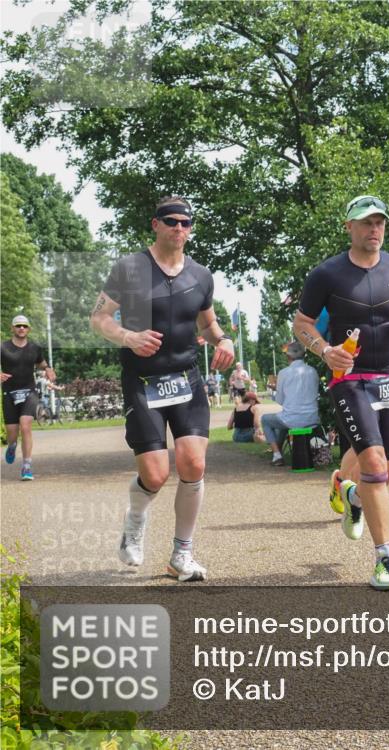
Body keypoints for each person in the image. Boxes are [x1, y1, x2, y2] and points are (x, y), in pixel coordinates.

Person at [90, 195, 235, 582]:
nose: (179, 228)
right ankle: (136, 520)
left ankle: (181, 556)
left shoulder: (202, 276)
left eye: (186, 223)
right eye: (171, 221)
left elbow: (207, 323)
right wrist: (127, 336)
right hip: (142, 380)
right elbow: (99, 318)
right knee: (154, 475)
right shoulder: (130, 268)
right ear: (155, 224)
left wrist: (224, 341)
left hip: (186, 378)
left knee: (194, 463)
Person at [294, 194, 389, 590]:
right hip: (349, 380)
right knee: (373, 467)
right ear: (349, 227)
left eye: (380, 223)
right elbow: (302, 324)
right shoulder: (327, 274)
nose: (374, 230)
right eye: (366, 223)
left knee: (387, 472)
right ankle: (385, 560)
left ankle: (349, 493)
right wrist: (325, 350)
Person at [2, 315, 57, 480]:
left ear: (28, 329)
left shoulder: (34, 347)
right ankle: (12, 446)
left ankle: (26, 466)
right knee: (12, 435)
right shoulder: (3, 347)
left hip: (29, 392)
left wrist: (48, 369)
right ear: (12, 328)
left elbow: (40, 362)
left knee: (25, 425)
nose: (21, 328)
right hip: (9, 394)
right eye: (18, 326)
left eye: (24, 326)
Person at [260, 340, 320, 467]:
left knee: (265, 419)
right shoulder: (313, 371)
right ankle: (279, 452)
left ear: (288, 356)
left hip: (292, 419)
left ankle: (276, 454)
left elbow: (280, 401)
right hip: (312, 417)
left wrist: (275, 391)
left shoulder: (283, 373)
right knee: (283, 418)